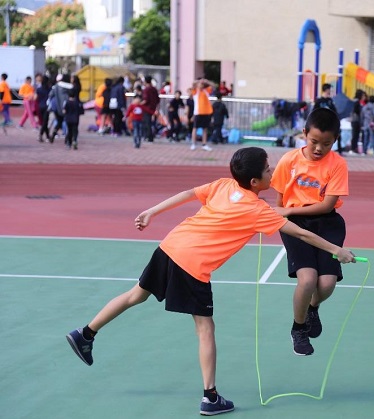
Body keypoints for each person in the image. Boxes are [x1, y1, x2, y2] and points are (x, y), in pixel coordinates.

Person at [65, 147, 356, 415]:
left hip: (170, 246)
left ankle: (86, 333)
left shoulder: (223, 185)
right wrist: (337, 250)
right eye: (268, 170)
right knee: (205, 328)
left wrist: (153, 211)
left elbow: (188, 194)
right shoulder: (258, 211)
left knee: (135, 295)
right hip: (193, 264)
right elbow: (302, 234)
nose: (272, 172)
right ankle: (210, 397)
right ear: (255, 181)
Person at [270, 108, 350, 356]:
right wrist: (286, 214)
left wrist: (290, 212)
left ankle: (313, 308)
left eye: (326, 144)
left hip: (326, 222)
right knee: (307, 279)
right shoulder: (289, 161)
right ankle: (299, 328)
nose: (318, 148)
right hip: (296, 226)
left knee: (326, 283)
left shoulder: (337, 164)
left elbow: (327, 204)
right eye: (314, 141)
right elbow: (281, 200)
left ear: (335, 140)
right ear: (304, 134)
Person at [313, 83, 340, 154]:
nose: (330, 91)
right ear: (326, 90)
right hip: (321, 122)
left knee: (333, 135)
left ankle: (337, 150)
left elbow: (334, 111)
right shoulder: (319, 101)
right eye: (329, 90)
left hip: (330, 122)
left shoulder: (330, 101)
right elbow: (314, 111)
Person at [48, 74, 73, 143]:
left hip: (58, 108)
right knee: (68, 123)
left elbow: (50, 95)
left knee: (59, 122)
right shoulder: (70, 87)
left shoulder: (56, 86)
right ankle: (67, 138)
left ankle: (53, 134)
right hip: (67, 107)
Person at [191, 79, 213, 151]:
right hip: (198, 113)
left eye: (202, 84)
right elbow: (193, 84)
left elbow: (212, 86)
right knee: (195, 128)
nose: (201, 85)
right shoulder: (196, 91)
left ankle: (204, 144)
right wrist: (198, 82)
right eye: (200, 84)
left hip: (206, 113)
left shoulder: (206, 91)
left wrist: (206, 81)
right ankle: (193, 144)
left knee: (205, 129)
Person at [141, 76, 160, 142]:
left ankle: (148, 137)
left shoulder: (146, 89)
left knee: (147, 123)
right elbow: (157, 100)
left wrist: (139, 104)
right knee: (152, 123)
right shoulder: (154, 89)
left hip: (147, 109)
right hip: (153, 108)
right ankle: (151, 136)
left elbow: (145, 100)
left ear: (145, 81)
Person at [35, 75, 51, 142]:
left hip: (40, 106)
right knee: (45, 122)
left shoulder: (38, 89)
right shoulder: (49, 89)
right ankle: (41, 135)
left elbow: (36, 98)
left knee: (44, 122)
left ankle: (47, 136)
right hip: (47, 107)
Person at [349, 89, 365, 154]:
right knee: (355, 135)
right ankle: (353, 148)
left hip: (354, 120)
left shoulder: (354, 101)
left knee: (355, 135)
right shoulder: (357, 102)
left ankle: (354, 148)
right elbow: (356, 111)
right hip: (356, 120)